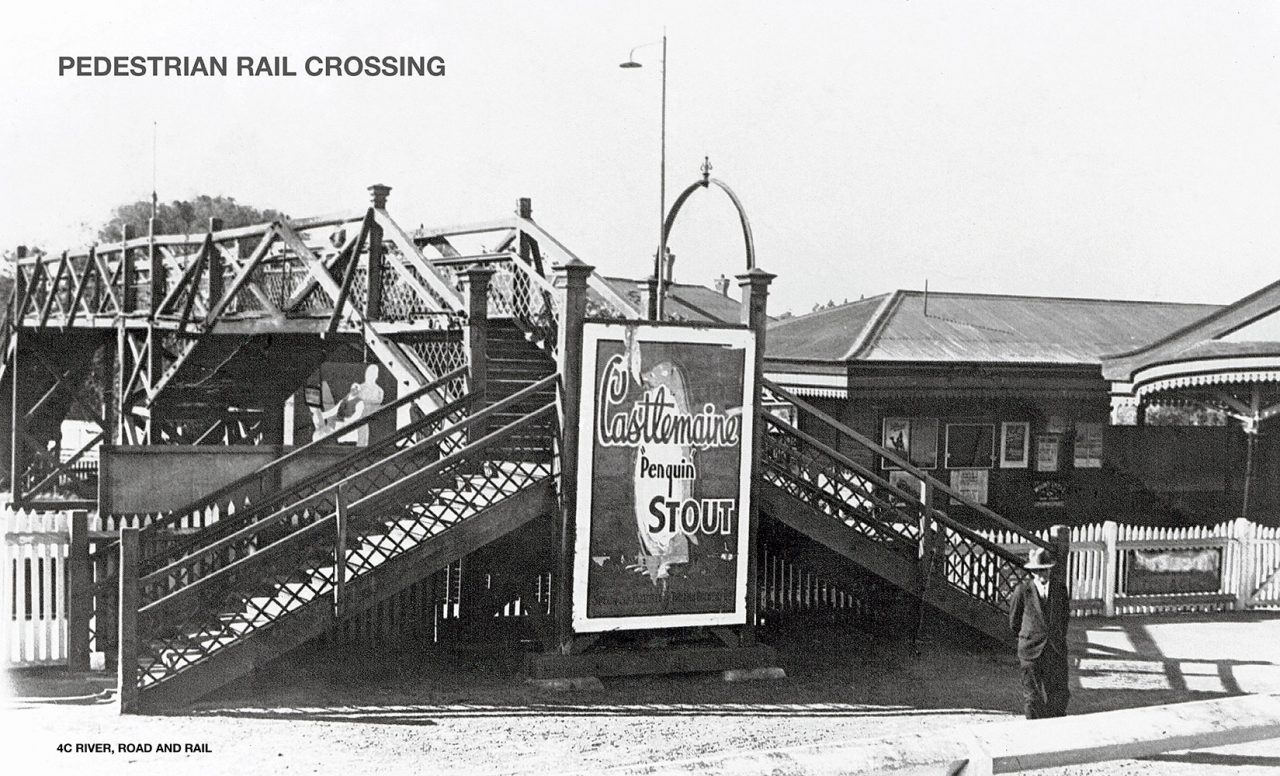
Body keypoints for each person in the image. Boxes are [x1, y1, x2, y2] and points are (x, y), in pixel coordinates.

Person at [1008, 546, 1070, 719]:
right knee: (1033, 699)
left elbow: (1064, 619)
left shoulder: (1060, 590)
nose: (1042, 575)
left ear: (1050, 569)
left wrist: (1055, 639)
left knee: (1058, 697)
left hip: (1054, 651)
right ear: (1032, 572)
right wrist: (1029, 638)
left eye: (1045, 571)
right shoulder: (1022, 591)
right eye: (1037, 571)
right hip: (1030, 652)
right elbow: (1014, 622)